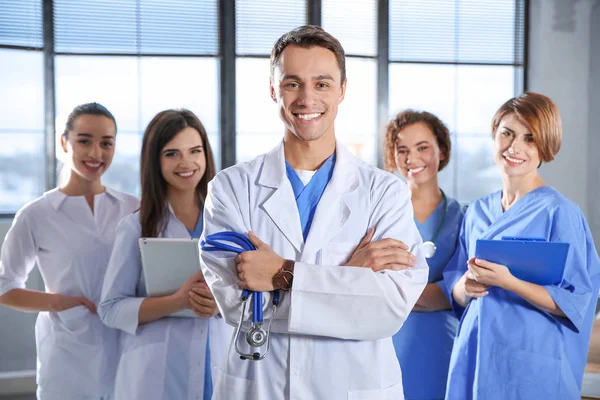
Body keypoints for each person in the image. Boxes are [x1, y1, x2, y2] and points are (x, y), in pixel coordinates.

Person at [200, 25, 429, 400]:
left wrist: (282, 274)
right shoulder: (231, 188)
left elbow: (388, 309)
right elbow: (235, 307)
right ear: (274, 90)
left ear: (342, 90)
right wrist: (349, 278)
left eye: (322, 83)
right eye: (292, 83)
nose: (307, 98)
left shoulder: (384, 193)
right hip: (261, 387)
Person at [442, 92, 600, 399]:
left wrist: (509, 282)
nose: (514, 148)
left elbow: (577, 302)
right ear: (495, 134)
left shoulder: (559, 212)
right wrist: (464, 285)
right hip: (476, 355)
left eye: (530, 138)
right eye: (507, 133)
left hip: (530, 362)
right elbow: (457, 293)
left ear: (546, 146)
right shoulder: (476, 211)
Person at [0, 103, 139, 400]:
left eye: (106, 143)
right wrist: (60, 303)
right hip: (66, 358)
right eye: (84, 140)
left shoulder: (132, 208)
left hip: (128, 351)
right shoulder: (36, 214)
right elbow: (5, 287)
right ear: (64, 143)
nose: (96, 153)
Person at [99, 109, 230, 400]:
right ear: (155, 161)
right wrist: (178, 301)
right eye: (172, 154)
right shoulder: (137, 226)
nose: (186, 163)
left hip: (220, 365)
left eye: (195, 151)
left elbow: (250, 298)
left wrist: (220, 305)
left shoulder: (230, 222)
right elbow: (110, 309)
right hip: (156, 374)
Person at [384, 110, 463, 399]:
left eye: (422, 148)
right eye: (402, 150)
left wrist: (392, 293)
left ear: (441, 151)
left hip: (441, 345)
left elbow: (457, 292)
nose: (411, 159)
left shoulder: (462, 217)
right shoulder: (382, 215)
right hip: (387, 342)